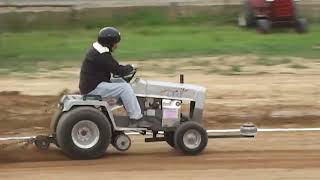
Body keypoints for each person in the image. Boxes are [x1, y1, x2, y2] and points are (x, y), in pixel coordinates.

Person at [79, 27, 150, 128]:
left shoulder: (97, 50)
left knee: (122, 82)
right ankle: (136, 119)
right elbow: (118, 70)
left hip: (93, 84)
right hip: (93, 88)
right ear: (109, 43)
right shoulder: (102, 55)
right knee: (125, 88)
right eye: (115, 43)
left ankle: (133, 110)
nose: (117, 45)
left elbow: (113, 67)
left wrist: (126, 69)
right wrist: (131, 67)